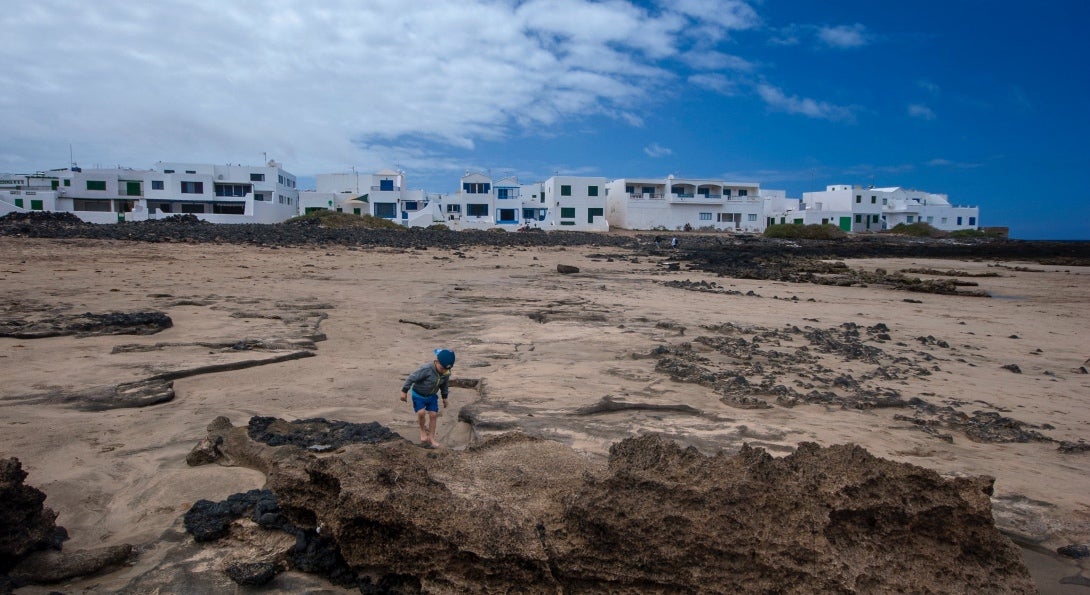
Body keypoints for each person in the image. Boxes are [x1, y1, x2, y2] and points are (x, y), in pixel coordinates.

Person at [400, 348, 455, 447]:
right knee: (421, 413)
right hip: (418, 395)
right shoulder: (427, 369)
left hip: (432, 396)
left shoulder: (445, 373)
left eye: (447, 369)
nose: (444, 371)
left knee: (433, 415)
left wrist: (445, 398)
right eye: (442, 368)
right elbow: (411, 378)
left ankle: (432, 438)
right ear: (436, 361)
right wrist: (404, 391)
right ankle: (422, 431)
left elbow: (444, 386)